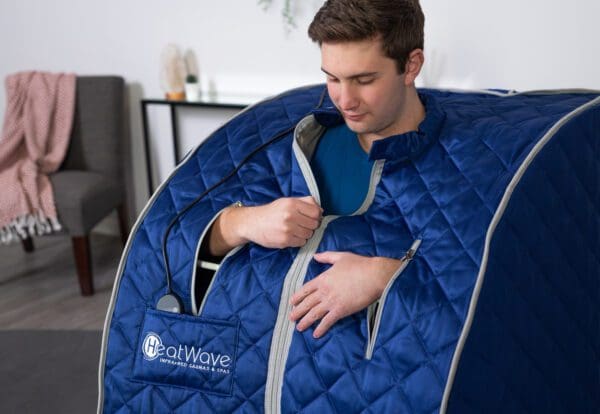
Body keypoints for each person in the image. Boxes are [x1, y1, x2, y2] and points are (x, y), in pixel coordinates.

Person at [204, 0, 426, 339]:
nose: (345, 100)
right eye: (332, 78)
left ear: (411, 66)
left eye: (364, 79)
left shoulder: (464, 162)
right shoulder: (297, 140)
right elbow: (180, 240)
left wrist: (385, 275)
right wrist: (243, 221)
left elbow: (488, 286)